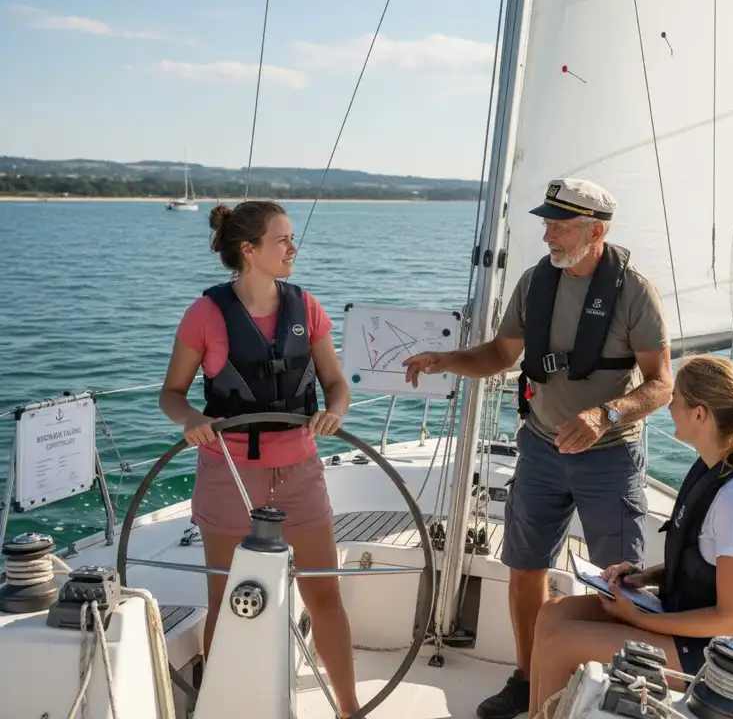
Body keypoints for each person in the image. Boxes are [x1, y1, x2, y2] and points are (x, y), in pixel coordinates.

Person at [403, 178, 673, 719]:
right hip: (541, 451)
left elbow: (661, 384)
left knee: (619, 580)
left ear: (595, 232)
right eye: (547, 224)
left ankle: (615, 690)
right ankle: (530, 680)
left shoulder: (634, 292)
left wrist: (604, 415)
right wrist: (446, 360)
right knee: (524, 568)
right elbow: (501, 355)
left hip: (609, 456)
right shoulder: (534, 283)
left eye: (560, 226)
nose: (548, 235)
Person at [159, 200, 359, 716]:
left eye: (292, 238)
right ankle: (217, 707)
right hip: (228, 473)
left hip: (300, 472)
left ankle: (349, 709)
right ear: (249, 250)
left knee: (324, 597)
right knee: (227, 601)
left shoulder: (306, 307)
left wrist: (335, 411)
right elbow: (172, 394)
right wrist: (190, 420)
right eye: (282, 239)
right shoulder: (205, 314)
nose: (293, 248)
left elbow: (336, 385)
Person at [528, 354, 733, 718]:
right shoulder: (716, 470)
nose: (668, 408)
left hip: (724, 654)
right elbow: (706, 563)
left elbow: (731, 619)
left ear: (700, 415)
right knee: (553, 614)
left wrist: (641, 620)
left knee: (563, 646)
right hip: (690, 620)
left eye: (676, 401)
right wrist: (644, 577)